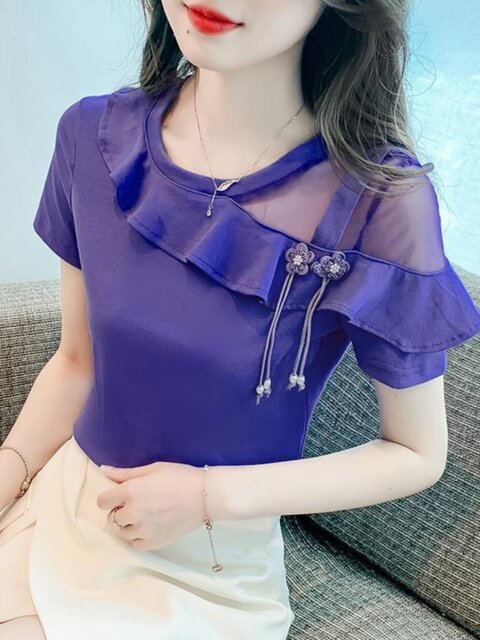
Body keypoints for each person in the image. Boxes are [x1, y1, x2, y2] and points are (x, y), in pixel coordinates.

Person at [1, 1, 480, 638]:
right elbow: (76, 363)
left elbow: (416, 453)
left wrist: (208, 497)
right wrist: (9, 471)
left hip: (208, 564)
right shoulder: (93, 136)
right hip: (67, 506)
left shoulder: (378, 201)